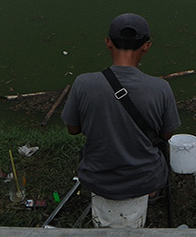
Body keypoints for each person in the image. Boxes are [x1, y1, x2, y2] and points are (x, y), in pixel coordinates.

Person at [61, 13, 181, 227]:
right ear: (146, 46)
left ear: (108, 42)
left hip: (97, 177)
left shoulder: (83, 84)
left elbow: (73, 129)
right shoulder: (161, 88)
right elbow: (166, 134)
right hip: (144, 178)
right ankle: (150, 191)